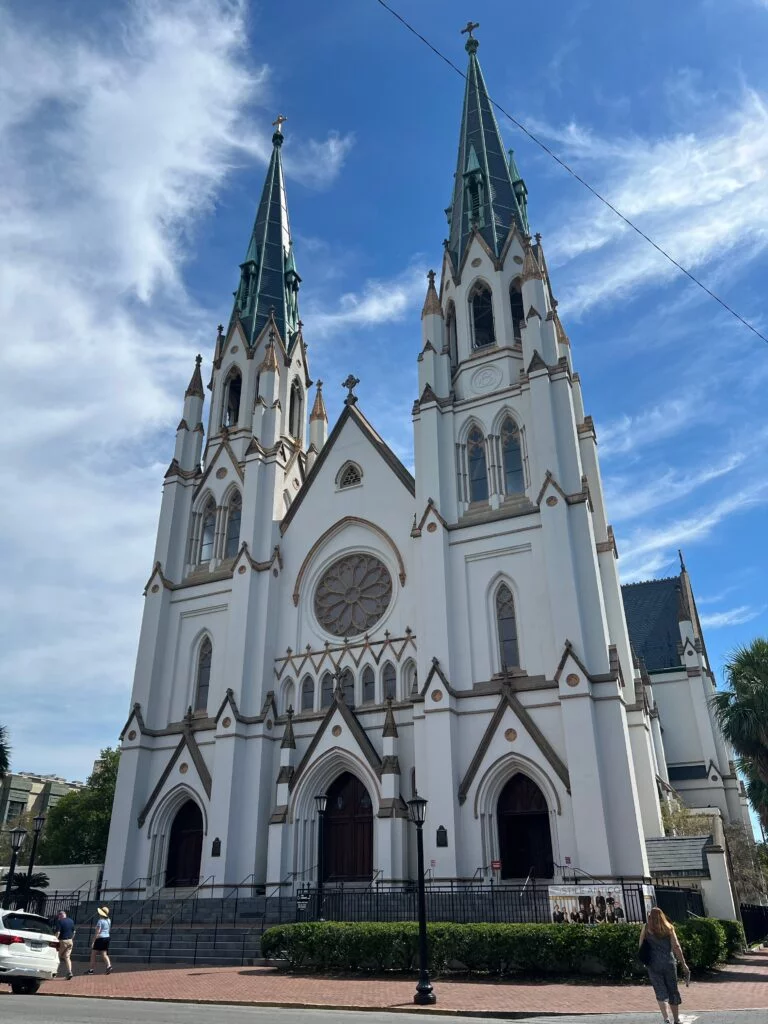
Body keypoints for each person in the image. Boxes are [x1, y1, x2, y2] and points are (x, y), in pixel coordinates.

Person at [639, 907, 690, 1024]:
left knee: (660, 991)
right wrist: (683, 963)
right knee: (673, 990)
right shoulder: (669, 928)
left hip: (653, 963)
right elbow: (676, 946)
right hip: (669, 962)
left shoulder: (646, 928)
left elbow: (641, 945)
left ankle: (666, 1019)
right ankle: (676, 1019)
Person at [87, 905, 113, 975]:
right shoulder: (108, 920)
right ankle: (109, 966)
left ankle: (91, 970)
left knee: (93, 954)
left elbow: (97, 932)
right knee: (104, 954)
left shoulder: (100, 921)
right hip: (107, 937)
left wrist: (93, 941)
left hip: (100, 938)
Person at [54, 910, 75, 980]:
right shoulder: (71, 921)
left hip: (62, 941)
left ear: (60, 915)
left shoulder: (60, 921)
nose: (58, 918)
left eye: (58, 916)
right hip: (70, 941)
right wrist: (71, 938)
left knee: (57, 956)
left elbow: (58, 933)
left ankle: (54, 972)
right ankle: (69, 972)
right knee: (67, 957)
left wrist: (54, 940)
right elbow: (74, 932)